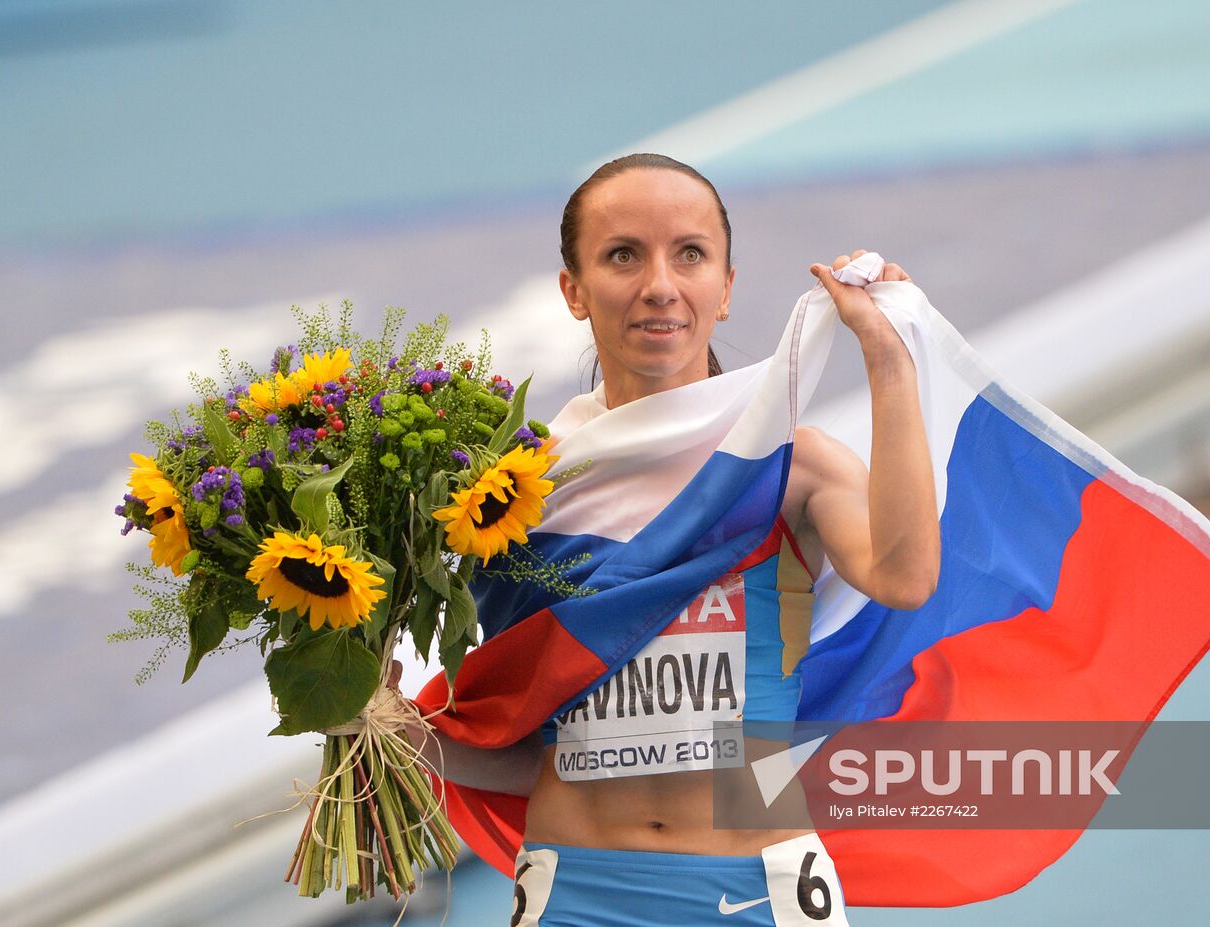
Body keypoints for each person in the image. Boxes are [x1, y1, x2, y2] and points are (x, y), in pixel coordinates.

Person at [403, 152, 941, 926]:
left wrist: (890, 360)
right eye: (623, 254)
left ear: (725, 289)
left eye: (689, 254)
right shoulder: (521, 497)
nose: (660, 285)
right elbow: (539, 752)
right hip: (576, 893)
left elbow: (906, 573)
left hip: (761, 893)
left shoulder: (791, 469)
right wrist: (394, 730)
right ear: (573, 290)